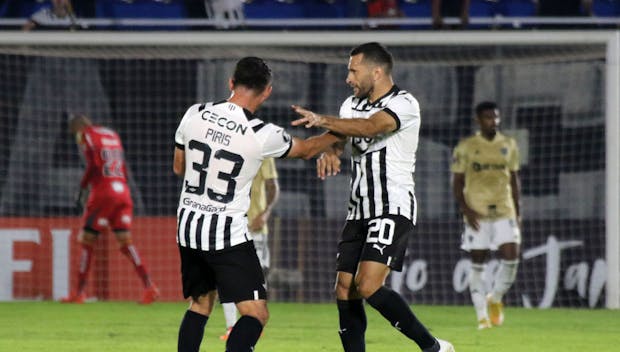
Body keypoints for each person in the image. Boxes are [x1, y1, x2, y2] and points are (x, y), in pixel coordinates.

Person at [291, 42, 454, 352]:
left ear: (376, 72)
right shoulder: (349, 105)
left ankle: (433, 348)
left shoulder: (405, 103)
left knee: (367, 284)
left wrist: (322, 119)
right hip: (358, 209)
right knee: (344, 288)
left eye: (353, 71)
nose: (348, 78)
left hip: (392, 206)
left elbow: (369, 128)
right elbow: (342, 138)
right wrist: (329, 150)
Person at [173, 56, 342, 352]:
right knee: (256, 313)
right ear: (267, 92)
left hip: (188, 226)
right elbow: (306, 150)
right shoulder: (263, 133)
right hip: (226, 234)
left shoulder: (194, 113)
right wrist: (339, 131)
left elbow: (179, 167)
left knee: (200, 304)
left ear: (231, 83)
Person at [61, 114, 159, 304]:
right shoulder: (111, 134)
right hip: (122, 191)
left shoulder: (87, 135)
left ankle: (78, 292)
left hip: (103, 193)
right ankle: (149, 286)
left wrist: (82, 187)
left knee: (86, 240)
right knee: (125, 242)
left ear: (78, 128)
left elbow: (94, 165)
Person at [450, 101, 522, 330]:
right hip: (477, 212)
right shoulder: (466, 147)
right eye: (489, 118)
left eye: (496, 118)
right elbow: (457, 182)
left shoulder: (509, 145)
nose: (494, 122)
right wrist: (467, 210)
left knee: (512, 258)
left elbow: (513, 179)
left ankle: (496, 297)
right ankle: (482, 315)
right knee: (478, 263)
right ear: (478, 120)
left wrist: (518, 212)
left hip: (504, 209)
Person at [220, 157, 280, 341]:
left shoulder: (264, 154)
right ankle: (231, 326)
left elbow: (272, 187)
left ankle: (256, 322)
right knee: (226, 275)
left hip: (255, 226)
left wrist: (266, 213)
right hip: (232, 224)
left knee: (258, 275)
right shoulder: (230, 148)